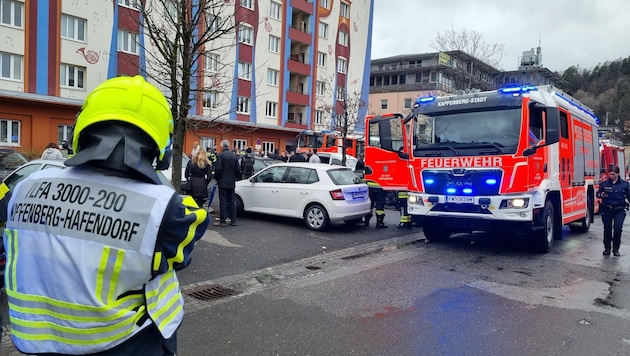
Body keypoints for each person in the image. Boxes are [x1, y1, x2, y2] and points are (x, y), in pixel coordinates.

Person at [2, 75, 209, 355]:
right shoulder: (166, 209)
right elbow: (185, 244)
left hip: (43, 341)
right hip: (130, 342)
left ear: (80, 130)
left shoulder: (23, 188)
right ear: (162, 146)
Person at [596, 165, 630, 256]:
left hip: (619, 210)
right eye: (610, 174)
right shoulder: (604, 184)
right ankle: (607, 248)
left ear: (618, 174)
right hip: (607, 209)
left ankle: (616, 249)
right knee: (607, 229)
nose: (611, 176)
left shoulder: (624, 184)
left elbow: (629, 196)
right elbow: (598, 194)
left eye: (613, 174)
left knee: (618, 228)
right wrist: (601, 195)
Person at [214, 139, 240, 227]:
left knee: (223, 200)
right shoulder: (234, 156)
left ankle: (223, 220)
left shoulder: (220, 156)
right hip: (231, 182)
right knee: (232, 201)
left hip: (223, 181)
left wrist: (216, 177)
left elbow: (218, 169)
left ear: (222, 146)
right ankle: (233, 220)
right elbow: (238, 170)